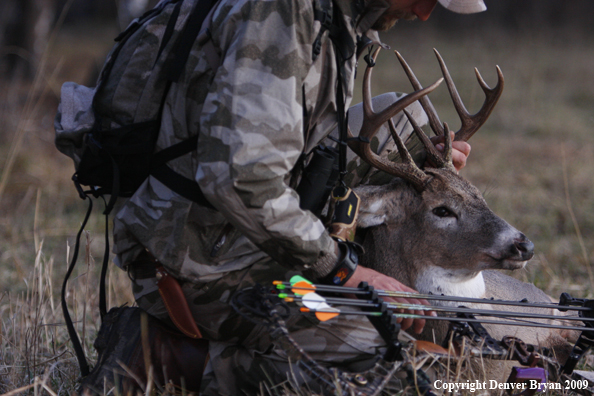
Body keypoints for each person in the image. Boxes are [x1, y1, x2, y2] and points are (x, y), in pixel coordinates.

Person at [109, 0, 480, 394]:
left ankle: (346, 284)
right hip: (197, 259)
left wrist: (420, 166)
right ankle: (172, 360)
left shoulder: (330, 16)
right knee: (374, 341)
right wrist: (341, 271)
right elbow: (240, 178)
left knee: (408, 119)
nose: (424, 14)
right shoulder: (280, 17)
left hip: (236, 232)